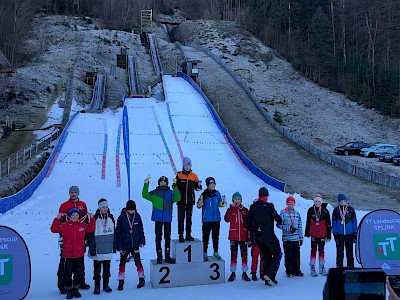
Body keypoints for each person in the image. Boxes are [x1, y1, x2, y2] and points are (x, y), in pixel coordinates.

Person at [51, 208, 95, 299]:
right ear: (69, 216)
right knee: (67, 274)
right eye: (73, 215)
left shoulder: (82, 225)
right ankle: (69, 290)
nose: (75, 217)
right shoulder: (64, 225)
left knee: (78, 273)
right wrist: (57, 219)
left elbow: (91, 229)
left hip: (79, 255)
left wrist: (92, 218)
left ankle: (76, 289)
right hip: (68, 255)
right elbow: (53, 229)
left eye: (77, 215)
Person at [57, 185, 90, 294]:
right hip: (67, 237)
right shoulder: (64, 205)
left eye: (75, 192)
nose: (73, 194)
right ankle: (63, 285)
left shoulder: (83, 204)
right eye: (72, 192)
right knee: (65, 262)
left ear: (78, 193)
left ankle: (80, 282)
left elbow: (86, 220)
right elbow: (60, 220)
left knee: (80, 260)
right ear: (69, 193)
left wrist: (86, 235)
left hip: (80, 234)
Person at [247, 187, 282, 286]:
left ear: (259, 196)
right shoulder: (269, 206)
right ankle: (269, 275)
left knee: (266, 256)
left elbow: (248, 222)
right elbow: (278, 219)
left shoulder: (253, 206)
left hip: (258, 236)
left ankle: (267, 280)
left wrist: (256, 228)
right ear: (267, 196)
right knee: (277, 254)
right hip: (269, 235)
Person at [142, 175, 181, 264]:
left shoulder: (170, 193)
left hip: (167, 219)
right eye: (161, 182)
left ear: (167, 183)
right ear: (159, 183)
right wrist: (146, 184)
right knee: (158, 238)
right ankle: (159, 256)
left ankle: (167, 256)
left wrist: (175, 186)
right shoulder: (155, 192)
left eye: (164, 182)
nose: (163, 183)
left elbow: (178, 198)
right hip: (158, 219)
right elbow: (145, 195)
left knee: (167, 238)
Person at [116, 200, 146, 290]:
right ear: (127, 209)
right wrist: (119, 247)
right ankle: (121, 281)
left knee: (138, 262)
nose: (132, 212)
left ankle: (141, 278)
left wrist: (142, 241)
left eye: (134, 210)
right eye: (131, 210)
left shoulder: (137, 216)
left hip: (135, 244)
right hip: (125, 245)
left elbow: (141, 229)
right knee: (122, 263)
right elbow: (118, 233)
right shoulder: (121, 218)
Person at [88, 198, 116, 294]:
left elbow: (114, 233)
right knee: (97, 270)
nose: (105, 209)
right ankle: (97, 286)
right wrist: (92, 248)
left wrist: (114, 246)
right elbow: (90, 234)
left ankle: (106, 285)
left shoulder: (111, 217)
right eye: (103, 207)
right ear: (99, 208)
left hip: (108, 248)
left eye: (106, 207)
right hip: (98, 248)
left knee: (107, 269)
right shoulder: (95, 218)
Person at [197, 176, 227, 261]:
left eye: (213, 183)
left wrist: (223, 203)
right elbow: (198, 205)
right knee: (206, 236)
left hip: (216, 219)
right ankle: (204, 252)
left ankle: (215, 252)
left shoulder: (217, 193)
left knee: (215, 236)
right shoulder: (204, 194)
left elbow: (219, 204)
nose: (212, 185)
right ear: (207, 185)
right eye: (210, 184)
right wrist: (200, 203)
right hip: (206, 219)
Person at [224, 192, 251, 282]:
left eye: (238, 199)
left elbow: (248, 223)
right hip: (233, 236)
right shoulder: (230, 209)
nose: (237, 201)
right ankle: (233, 272)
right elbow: (226, 219)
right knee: (233, 255)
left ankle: (244, 272)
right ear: (233, 200)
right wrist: (232, 208)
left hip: (243, 236)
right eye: (235, 199)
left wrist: (249, 237)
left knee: (244, 255)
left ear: (241, 200)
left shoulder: (245, 210)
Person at [175, 157, 202, 242]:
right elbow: (175, 186)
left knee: (189, 219)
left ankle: (188, 234)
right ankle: (180, 235)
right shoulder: (179, 175)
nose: (187, 167)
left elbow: (197, 187)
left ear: (191, 166)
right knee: (181, 218)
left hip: (190, 201)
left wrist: (199, 187)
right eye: (186, 165)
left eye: (189, 165)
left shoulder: (194, 176)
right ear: (183, 165)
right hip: (181, 201)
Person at [304, 194, 331, 277]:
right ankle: (312, 267)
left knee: (322, 250)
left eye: (319, 201)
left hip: (322, 234)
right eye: (315, 201)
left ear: (321, 202)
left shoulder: (326, 211)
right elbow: (308, 222)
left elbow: (329, 224)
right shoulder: (310, 210)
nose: (317, 203)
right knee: (313, 250)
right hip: (313, 234)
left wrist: (329, 235)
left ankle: (322, 267)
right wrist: (307, 232)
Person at [277, 195, 304, 278]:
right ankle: (289, 271)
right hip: (287, 238)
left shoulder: (297, 214)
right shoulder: (283, 214)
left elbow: (300, 226)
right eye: (289, 204)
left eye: (292, 204)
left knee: (296, 255)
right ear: (286, 204)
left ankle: (297, 270)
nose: (290, 206)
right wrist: (288, 228)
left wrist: (301, 237)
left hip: (296, 238)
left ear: (294, 204)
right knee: (288, 255)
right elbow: (278, 225)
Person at [332, 193, 358, 267]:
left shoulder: (351, 210)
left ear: (346, 201)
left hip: (349, 234)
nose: (343, 203)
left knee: (349, 252)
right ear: (339, 202)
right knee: (339, 252)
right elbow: (334, 223)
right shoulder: (336, 210)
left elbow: (354, 222)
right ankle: (339, 268)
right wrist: (335, 234)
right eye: (341, 201)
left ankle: (350, 267)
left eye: (344, 201)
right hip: (340, 235)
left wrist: (355, 233)